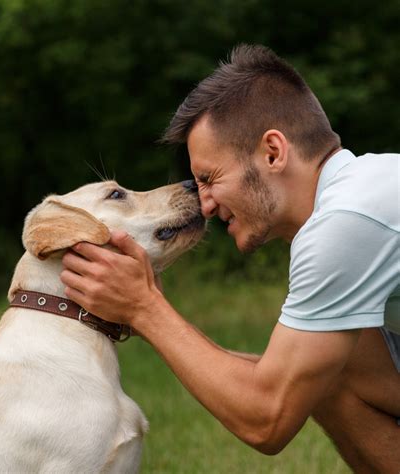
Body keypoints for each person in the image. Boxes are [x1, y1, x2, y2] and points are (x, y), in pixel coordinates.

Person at [60, 44, 400, 472]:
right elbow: (283, 379)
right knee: (321, 372)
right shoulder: (363, 195)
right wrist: (144, 314)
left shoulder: (344, 225)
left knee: (310, 382)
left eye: (208, 178)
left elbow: (266, 417)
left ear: (273, 153)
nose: (203, 205)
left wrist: (146, 309)